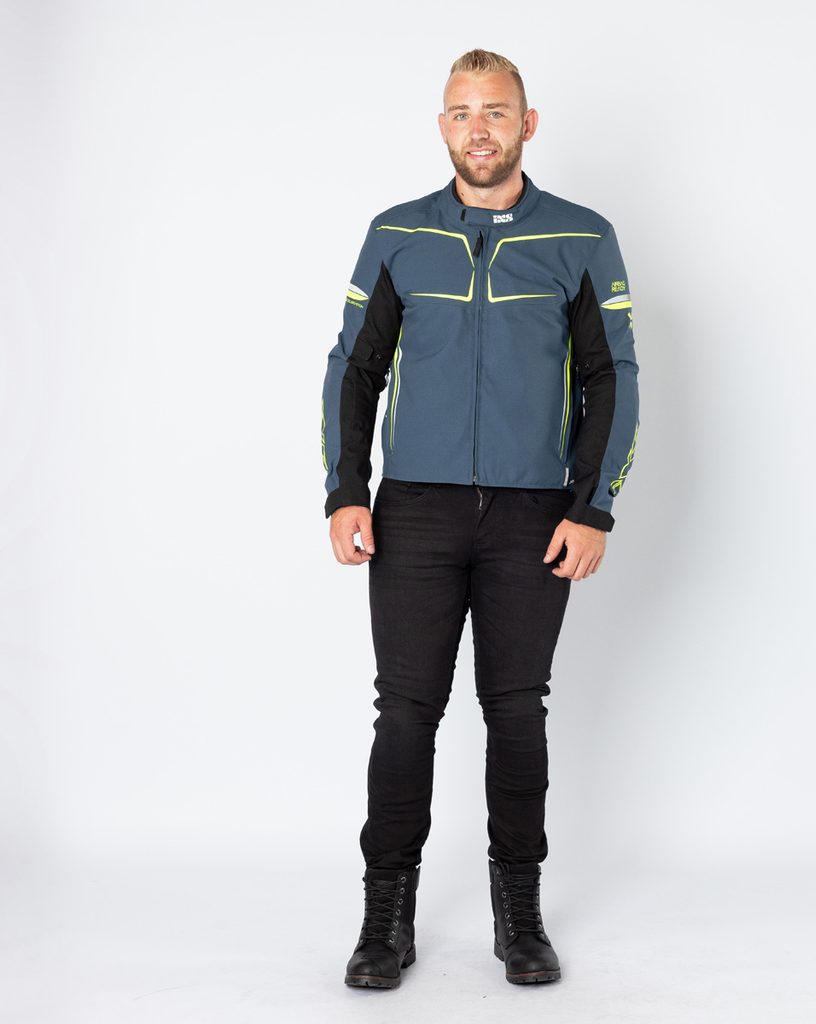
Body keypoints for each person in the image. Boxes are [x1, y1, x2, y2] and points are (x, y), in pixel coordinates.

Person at [320, 48, 640, 988]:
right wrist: (345, 489)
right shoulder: (396, 234)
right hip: (414, 511)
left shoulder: (582, 237)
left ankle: (520, 913)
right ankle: (385, 917)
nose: (479, 129)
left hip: (533, 515)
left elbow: (614, 376)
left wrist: (594, 506)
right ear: (442, 126)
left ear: (527, 124)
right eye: (462, 113)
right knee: (405, 713)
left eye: (496, 111)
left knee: (516, 712)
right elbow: (354, 367)